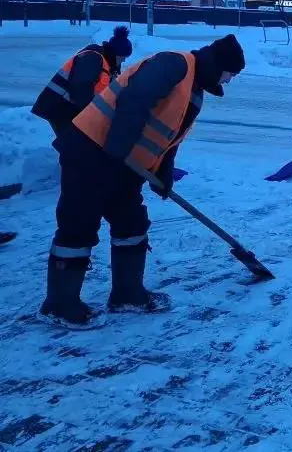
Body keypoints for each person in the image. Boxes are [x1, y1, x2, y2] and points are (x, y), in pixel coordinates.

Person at [39, 34, 246, 330]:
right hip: (91, 150)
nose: (228, 82)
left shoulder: (194, 91)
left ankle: (127, 294)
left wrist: (162, 174)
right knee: (79, 224)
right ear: (221, 66)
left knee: (131, 223)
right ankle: (59, 304)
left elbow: (168, 138)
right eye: (231, 75)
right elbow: (135, 100)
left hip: (121, 162)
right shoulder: (174, 64)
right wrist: (117, 149)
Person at [31, 26, 134, 137]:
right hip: (61, 107)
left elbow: (106, 91)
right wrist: (91, 114)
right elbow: (80, 89)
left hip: (69, 108)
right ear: (115, 53)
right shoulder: (92, 58)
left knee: (77, 145)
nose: (123, 60)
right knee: (74, 145)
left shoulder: (107, 64)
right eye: (123, 57)